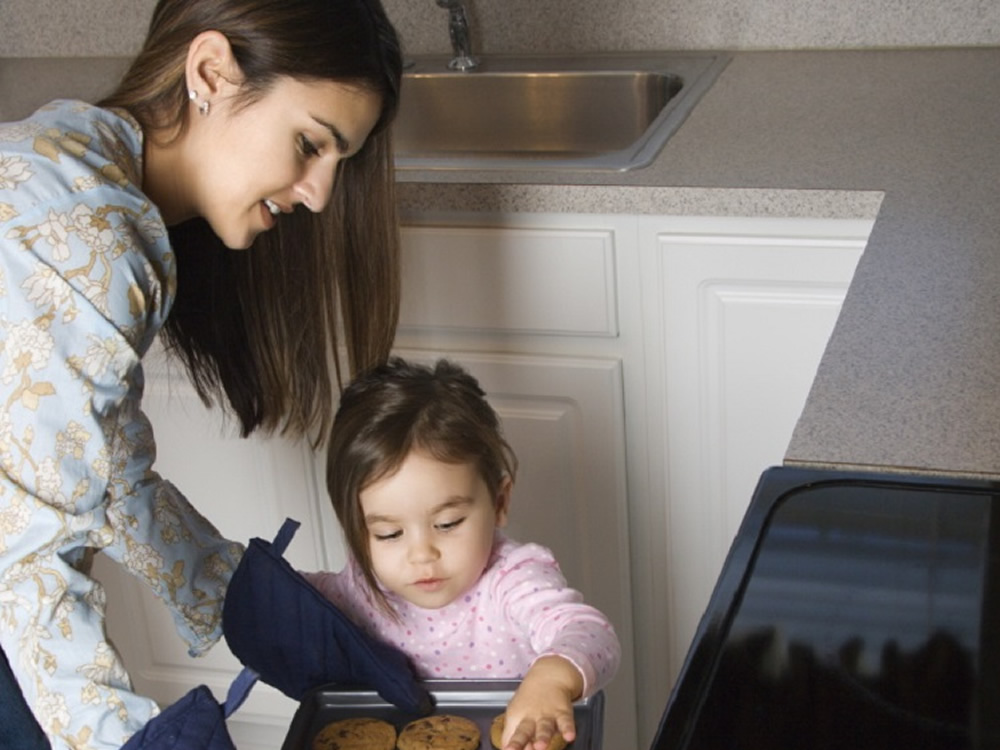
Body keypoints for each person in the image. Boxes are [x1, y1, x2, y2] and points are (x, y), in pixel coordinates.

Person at [0, 0, 403, 748]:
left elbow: (104, 472)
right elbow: (26, 562)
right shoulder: (84, 238)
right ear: (211, 70)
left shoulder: (82, 158)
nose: (318, 194)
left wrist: (233, 595)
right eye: (310, 144)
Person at [304, 358, 621, 750]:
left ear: (500, 502)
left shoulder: (513, 581)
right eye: (389, 533)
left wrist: (553, 678)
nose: (422, 554)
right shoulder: (360, 586)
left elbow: (591, 634)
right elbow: (298, 601)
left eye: (448, 523)